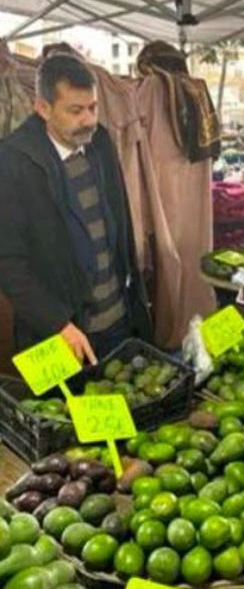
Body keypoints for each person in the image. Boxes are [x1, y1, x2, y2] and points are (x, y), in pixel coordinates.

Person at [0, 54, 151, 362]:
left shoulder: (100, 143)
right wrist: (58, 324)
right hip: (57, 334)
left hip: (117, 323)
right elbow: (8, 263)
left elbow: (119, 221)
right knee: (62, 410)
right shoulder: (14, 162)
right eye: (75, 110)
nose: (89, 119)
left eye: (93, 108)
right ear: (43, 108)